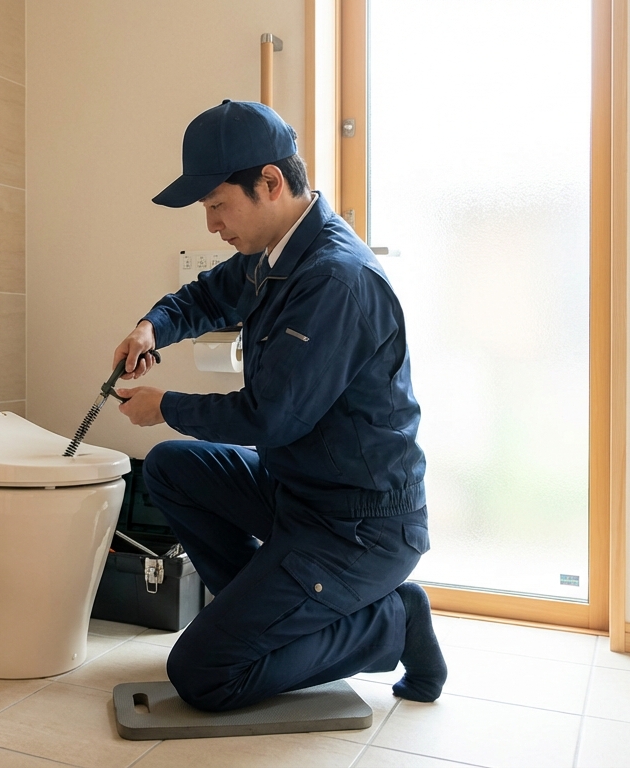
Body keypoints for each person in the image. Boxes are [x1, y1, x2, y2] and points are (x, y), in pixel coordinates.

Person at [111, 100, 448, 712]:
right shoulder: (276, 254)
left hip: (358, 527)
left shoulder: (334, 281)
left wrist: (166, 404)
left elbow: (273, 417)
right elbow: (207, 295)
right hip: (300, 490)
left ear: (269, 182)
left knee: (203, 674)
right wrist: (150, 328)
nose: (211, 224)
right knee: (169, 468)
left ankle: (391, 622)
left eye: (217, 204)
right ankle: (268, 617)